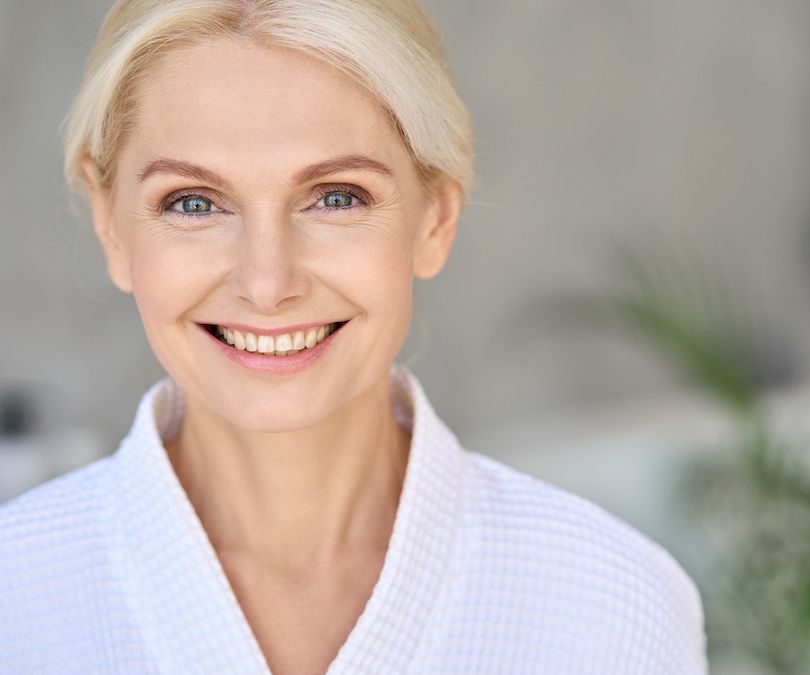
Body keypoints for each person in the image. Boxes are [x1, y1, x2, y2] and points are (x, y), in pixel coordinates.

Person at [0, 1, 707, 673]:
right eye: (192, 202)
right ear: (110, 226)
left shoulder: (615, 606)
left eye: (337, 196)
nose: (268, 280)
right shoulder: (16, 601)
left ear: (434, 217)